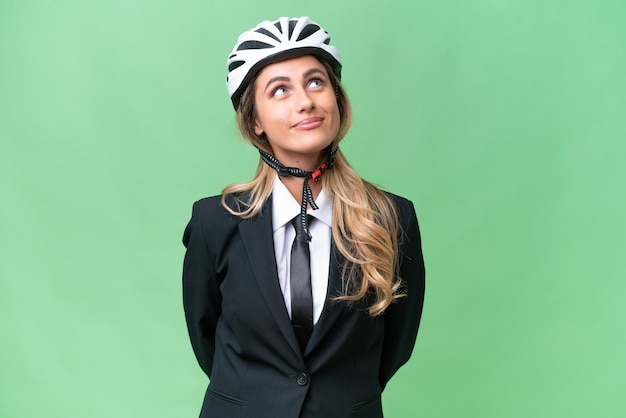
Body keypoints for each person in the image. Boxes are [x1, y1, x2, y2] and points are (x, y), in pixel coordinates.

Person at [182, 16, 426, 418]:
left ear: (336, 98)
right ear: (255, 121)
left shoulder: (392, 218)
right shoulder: (215, 222)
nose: (305, 101)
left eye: (316, 82)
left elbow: (396, 345)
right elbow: (206, 338)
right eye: (280, 90)